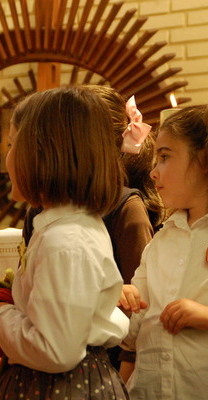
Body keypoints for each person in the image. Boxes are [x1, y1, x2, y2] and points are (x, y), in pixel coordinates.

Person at [0, 86, 130, 400]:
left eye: (13, 144)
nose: (8, 158)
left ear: (44, 154)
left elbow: (56, 350)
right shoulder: (64, 228)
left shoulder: (65, 240)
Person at [22, 86, 162, 377]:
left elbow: (138, 306)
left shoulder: (126, 211)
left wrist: (0, 320)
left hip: (98, 365)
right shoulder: (40, 213)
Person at [119, 105, 208, 399]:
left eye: (166, 157)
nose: (153, 172)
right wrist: (122, 300)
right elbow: (133, 332)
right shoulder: (161, 241)